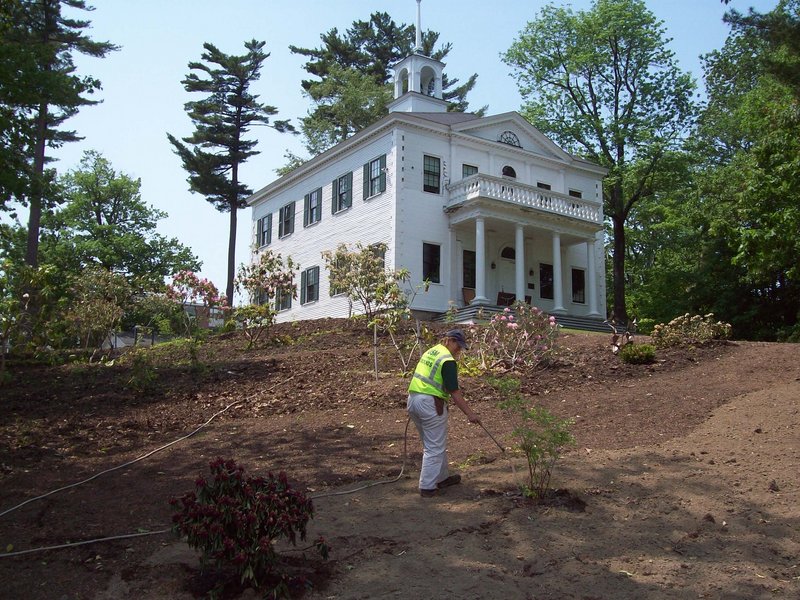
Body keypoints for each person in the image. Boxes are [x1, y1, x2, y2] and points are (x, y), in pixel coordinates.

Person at [407, 328, 481, 497]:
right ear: (449, 340)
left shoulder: (432, 351)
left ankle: (441, 478)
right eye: (458, 345)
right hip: (431, 404)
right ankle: (427, 486)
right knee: (434, 447)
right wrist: (470, 414)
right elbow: (454, 391)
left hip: (414, 400)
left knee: (432, 444)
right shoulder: (447, 360)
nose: (459, 350)